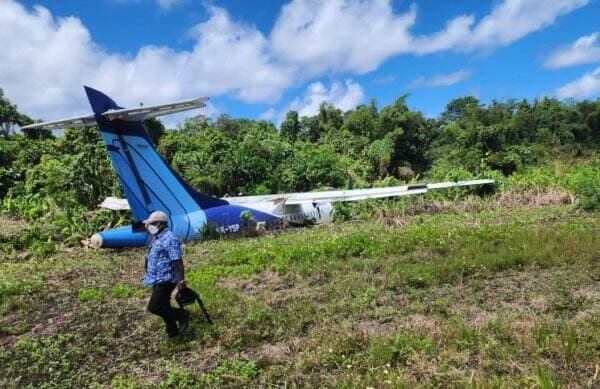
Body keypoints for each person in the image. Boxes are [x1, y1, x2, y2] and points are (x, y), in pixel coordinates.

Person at [142, 211, 190, 337]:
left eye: (150, 224)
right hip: (156, 278)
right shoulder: (157, 238)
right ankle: (173, 332)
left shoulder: (170, 238)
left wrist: (180, 282)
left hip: (166, 278)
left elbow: (177, 261)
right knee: (164, 305)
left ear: (159, 223)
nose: (147, 227)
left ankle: (182, 315)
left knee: (155, 307)